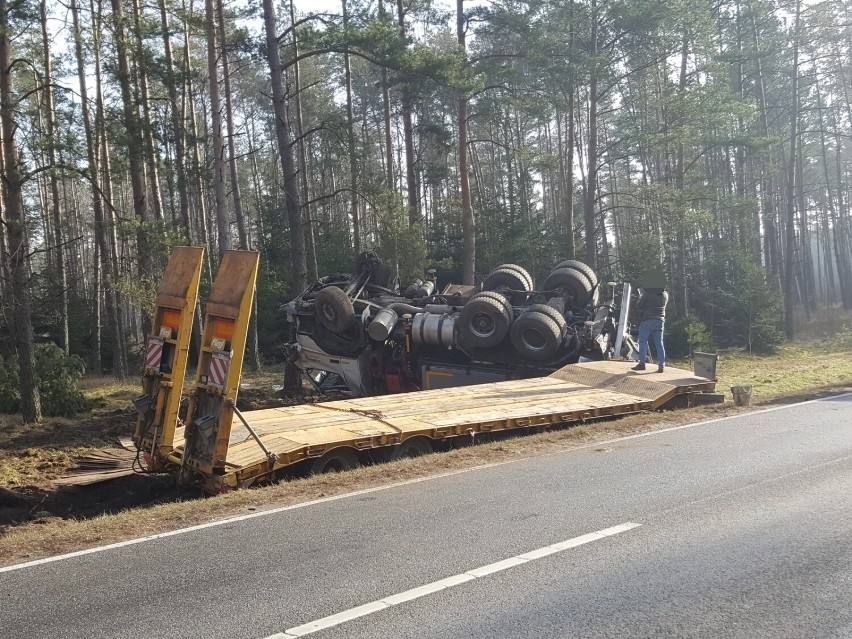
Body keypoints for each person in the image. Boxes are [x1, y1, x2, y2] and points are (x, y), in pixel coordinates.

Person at [631, 283, 668, 373]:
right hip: (660, 320)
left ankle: (642, 364)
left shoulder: (648, 293)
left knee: (643, 342)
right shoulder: (665, 294)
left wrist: (641, 296)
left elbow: (639, 305)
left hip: (647, 320)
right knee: (659, 343)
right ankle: (661, 366)